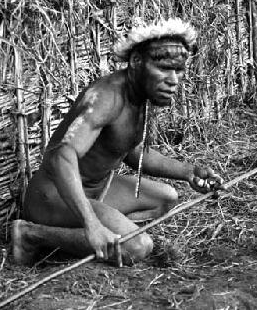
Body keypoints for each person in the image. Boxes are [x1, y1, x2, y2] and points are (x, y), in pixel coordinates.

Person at [12, 18, 226, 266]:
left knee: (167, 197)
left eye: (178, 71)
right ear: (136, 62)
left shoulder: (138, 95)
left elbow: (131, 152)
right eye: (164, 68)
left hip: (97, 190)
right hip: (54, 196)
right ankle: (31, 235)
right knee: (138, 247)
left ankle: (102, 231)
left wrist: (190, 172)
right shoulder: (106, 98)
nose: (174, 80)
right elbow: (62, 156)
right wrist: (91, 224)